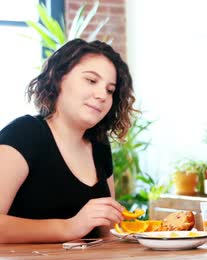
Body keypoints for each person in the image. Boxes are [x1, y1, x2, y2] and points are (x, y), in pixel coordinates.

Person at [0, 39, 137, 243]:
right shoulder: (24, 134)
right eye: (91, 80)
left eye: (110, 90)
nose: (102, 95)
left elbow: (105, 233)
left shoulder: (100, 145)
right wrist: (69, 227)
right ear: (58, 78)